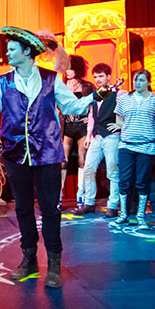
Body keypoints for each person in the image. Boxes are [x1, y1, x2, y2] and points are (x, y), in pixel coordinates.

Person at [0, 27, 96, 288]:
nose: (7, 53)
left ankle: (53, 263)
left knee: (50, 208)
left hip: (47, 153)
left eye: (12, 49)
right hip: (15, 153)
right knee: (23, 207)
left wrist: (94, 98)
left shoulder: (51, 79)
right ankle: (28, 258)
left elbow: (71, 106)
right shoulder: (2, 81)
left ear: (27, 51)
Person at [114, 69, 155, 230]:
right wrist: (129, 128)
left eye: (142, 80)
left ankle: (140, 216)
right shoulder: (124, 99)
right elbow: (118, 119)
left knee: (142, 181)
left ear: (149, 82)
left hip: (146, 146)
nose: (138, 83)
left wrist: (146, 132)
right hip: (127, 145)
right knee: (124, 180)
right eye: (136, 80)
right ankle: (123, 214)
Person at [82, 63, 126, 216]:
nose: (98, 79)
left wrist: (121, 125)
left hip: (112, 136)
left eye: (101, 76)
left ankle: (113, 205)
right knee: (88, 168)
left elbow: (128, 111)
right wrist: (88, 134)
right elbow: (92, 115)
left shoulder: (119, 94)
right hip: (97, 135)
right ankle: (89, 203)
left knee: (113, 171)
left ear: (108, 76)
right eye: (95, 77)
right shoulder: (96, 94)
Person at [60, 56, 95, 213]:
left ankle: (81, 196)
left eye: (70, 68)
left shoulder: (87, 86)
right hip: (66, 126)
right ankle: (58, 197)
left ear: (77, 69)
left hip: (82, 127)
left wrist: (90, 118)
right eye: (66, 68)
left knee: (83, 159)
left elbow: (95, 104)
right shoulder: (61, 85)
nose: (67, 71)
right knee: (63, 161)